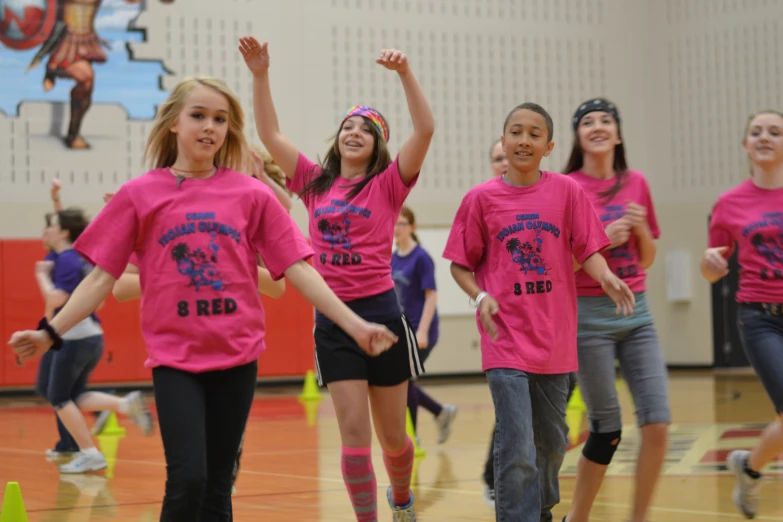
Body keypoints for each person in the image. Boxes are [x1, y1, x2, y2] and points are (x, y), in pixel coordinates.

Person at [9, 75, 398, 521]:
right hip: (176, 361)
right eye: (198, 115)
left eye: (220, 119)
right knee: (188, 478)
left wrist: (355, 324)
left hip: (237, 359)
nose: (209, 126)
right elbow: (102, 280)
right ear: (174, 122)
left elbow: (298, 270)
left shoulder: (251, 194)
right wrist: (49, 333)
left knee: (217, 485)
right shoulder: (140, 194)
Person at [240, 35, 434, 521]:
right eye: (347, 126)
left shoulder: (389, 185)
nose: (353, 133)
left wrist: (406, 73)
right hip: (334, 322)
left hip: (384, 316)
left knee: (393, 437)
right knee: (354, 435)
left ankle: (403, 500)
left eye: (364, 130)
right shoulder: (314, 183)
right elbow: (270, 134)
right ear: (338, 138)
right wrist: (261, 75)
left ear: (376, 145)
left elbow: (426, 129)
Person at [443, 102, 635, 522]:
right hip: (505, 341)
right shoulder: (481, 199)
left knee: (551, 442)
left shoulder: (566, 191)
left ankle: (541, 511)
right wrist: (479, 297)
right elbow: (459, 263)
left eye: (534, 134)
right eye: (516, 132)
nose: (524, 140)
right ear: (504, 140)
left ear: (548, 146)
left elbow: (589, 248)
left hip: (555, 343)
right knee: (517, 444)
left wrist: (605, 277)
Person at [562, 98, 670, 522]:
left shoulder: (637, 182)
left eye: (606, 120)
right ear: (578, 136)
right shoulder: (566, 186)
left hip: (637, 314)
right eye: (588, 122)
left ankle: (638, 518)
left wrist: (640, 229)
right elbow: (560, 265)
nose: (598, 126)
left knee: (658, 425)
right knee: (606, 429)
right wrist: (601, 238)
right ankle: (578, 517)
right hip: (589, 318)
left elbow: (646, 259)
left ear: (618, 134)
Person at [701, 109, 783, 520]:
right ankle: (749, 469)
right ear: (745, 146)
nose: (765, 137)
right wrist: (709, 266)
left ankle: (748, 469)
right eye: (756, 132)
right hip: (759, 317)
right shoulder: (729, 203)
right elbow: (712, 264)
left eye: (774, 131)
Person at [35, 207, 154, 473]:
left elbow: (59, 299)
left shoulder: (66, 260)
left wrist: (41, 276)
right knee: (65, 395)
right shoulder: (69, 256)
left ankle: (88, 451)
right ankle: (122, 404)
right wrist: (55, 201)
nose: (46, 230)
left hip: (75, 338)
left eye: (51, 225)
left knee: (58, 396)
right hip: (84, 336)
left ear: (64, 232)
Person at [391, 205, 457, 444]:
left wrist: (422, 331)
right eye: (394, 224)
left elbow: (431, 296)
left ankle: (413, 436)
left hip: (422, 330)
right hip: (401, 331)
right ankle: (440, 412)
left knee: (403, 379)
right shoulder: (393, 258)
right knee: (401, 380)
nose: (397, 228)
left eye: (402, 224)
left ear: (412, 227)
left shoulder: (421, 258)